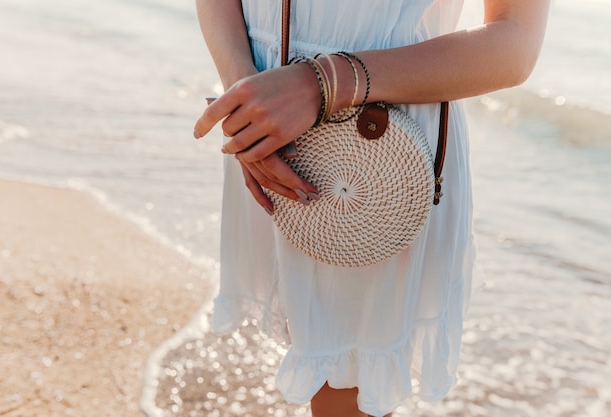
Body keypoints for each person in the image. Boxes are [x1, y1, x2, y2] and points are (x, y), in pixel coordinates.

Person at [193, 1, 549, 416]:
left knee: (345, 395)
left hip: (381, 153)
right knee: (323, 368)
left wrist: (321, 84)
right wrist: (246, 102)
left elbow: (516, 44)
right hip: (270, 122)